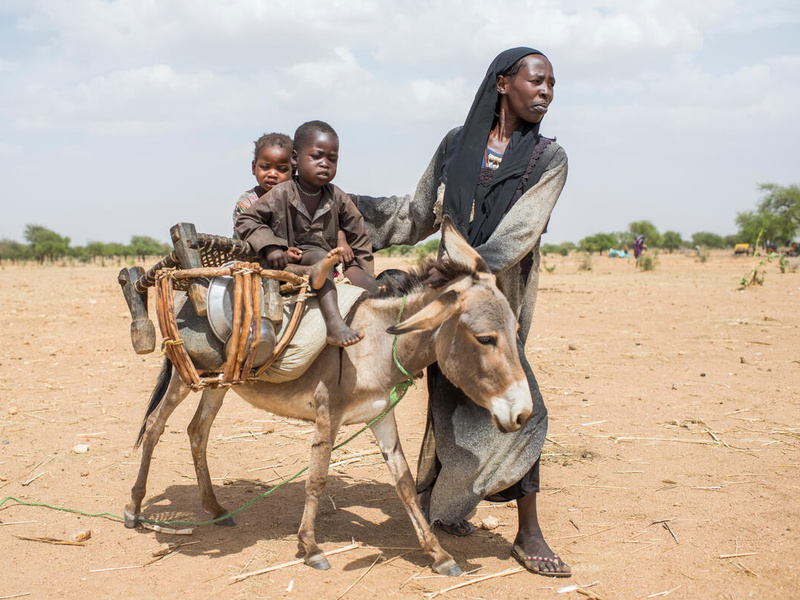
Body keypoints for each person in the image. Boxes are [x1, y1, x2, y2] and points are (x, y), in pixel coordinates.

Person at [356, 48, 570, 576]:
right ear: (502, 83)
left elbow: (520, 233)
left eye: (551, 85)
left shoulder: (549, 159)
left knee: (517, 393)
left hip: (497, 297)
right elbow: (416, 211)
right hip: (448, 294)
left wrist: (471, 278)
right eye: (535, 81)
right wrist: (344, 208)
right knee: (446, 393)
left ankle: (529, 530)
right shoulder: (456, 145)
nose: (545, 92)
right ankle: (446, 508)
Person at [236, 120, 377, 347]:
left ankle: (380, 341)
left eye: (332, 159)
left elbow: (359, 235)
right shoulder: (281, 193)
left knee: (371, 287)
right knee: (321, 259)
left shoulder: (337, 197)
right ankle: (334, 325)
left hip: (328, 264)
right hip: (287, 265)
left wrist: (361, 271)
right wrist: (271, 246)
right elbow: (247, 219)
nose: (325, 164)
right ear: (295, 159)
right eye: (317, 157)